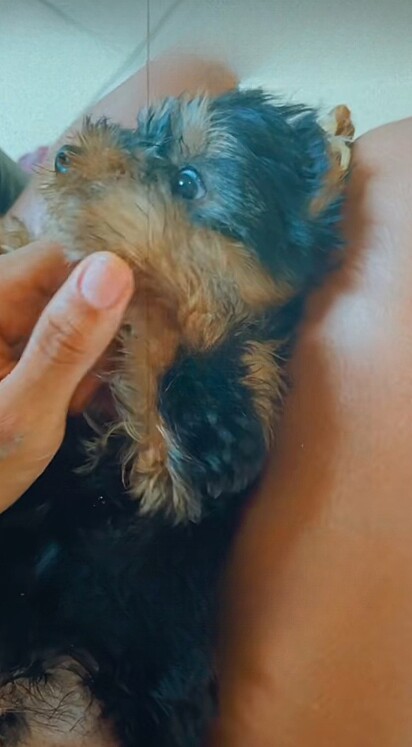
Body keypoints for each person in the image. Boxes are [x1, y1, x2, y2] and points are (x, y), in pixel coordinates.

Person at [2, 54, 412, 745]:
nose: (88, 158)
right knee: (189, 64)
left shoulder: (219, 371)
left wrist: (167, 311)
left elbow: (190, 466)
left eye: (186, 181)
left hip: (97, 681)